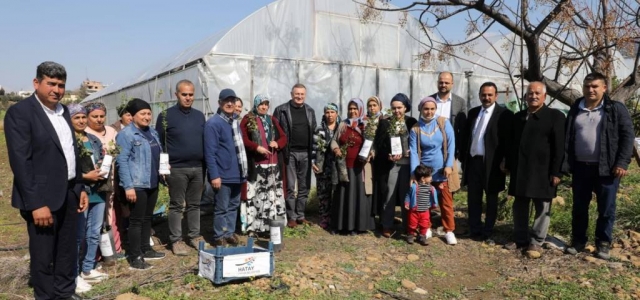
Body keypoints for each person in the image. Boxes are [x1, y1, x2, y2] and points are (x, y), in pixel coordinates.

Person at [5, 61, 88, 299]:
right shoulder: (21, 113)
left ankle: (64, 293)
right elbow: (21, 163)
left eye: (60, 85)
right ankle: (45, 296)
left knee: (66, 251)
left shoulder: (63, 112)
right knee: (43, 256)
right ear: (36, 83)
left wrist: (80, 186)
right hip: (41, 199)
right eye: (50, 83)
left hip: (69, 193)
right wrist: (35, 204)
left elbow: (72, 153)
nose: (56, 89)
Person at [564, 72, 634, 260]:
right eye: (587, 86)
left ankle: (603, 243)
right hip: (581, 167)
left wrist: (622, 162)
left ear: (604, 88)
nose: (591, 90)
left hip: (607, 168)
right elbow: (568, 136)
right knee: (579, 206)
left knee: (606, 208)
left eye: (595, 86)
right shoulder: (576, 108)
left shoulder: (615, 109)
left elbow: (628, 137)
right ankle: (578, 241)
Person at [503, 82, 565, 257]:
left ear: (545, 96)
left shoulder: (555, 116)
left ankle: (537, 241)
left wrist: (557, 171)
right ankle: (520, 237)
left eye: (537, 93)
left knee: (542, 206)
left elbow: (559, 147)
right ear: (526, 96)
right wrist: (507, 163)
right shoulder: (519, 117)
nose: (534, 96)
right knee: (520, 204)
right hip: (521, 169)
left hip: (543, 171)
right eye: (530, 93)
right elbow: (511, 143)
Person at [156, 79, 206, 256]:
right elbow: (159, 143)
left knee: (195, 204)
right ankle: (176, 240)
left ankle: (195, 235)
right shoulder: (165, 116)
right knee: (177, 205)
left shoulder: (199, 116)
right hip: (176, 168)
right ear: (176, 94)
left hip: (198, 167)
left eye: (191, 94)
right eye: (184, 94)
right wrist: (163, 168)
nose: (188, 98)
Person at [460, 82, 513, 245]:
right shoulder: (474, 113)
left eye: (490, 95)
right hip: (474, 162)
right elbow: (467, 137)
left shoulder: (504, 114)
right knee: (473, 197)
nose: (486, 98)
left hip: (493, 164)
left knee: (491, 198)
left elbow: (507, 142)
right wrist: (463, 158)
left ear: (496, 96)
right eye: (484, 94)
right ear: (479, 95)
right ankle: (475, 229)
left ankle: (488, 231)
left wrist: (506, 161)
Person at [116, 98, 166, 270]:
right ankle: (135, 256)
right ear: (133, 116)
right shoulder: (126, 135)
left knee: (147, 217)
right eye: (142, 114)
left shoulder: (152, 132)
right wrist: (128, 186)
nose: (147, 117)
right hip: (137, 184)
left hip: (152, 181)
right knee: (136, 221)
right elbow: (121, 161)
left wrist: (164, 169)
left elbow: (157, 155)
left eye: (149, 113)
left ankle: (146, 248)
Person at [69, 104, 109, 288]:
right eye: (76, 117)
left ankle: (88, 267)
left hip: (98, 190)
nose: (81, 121)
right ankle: (74, 273)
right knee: (78, 234)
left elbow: (100, 159)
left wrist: (104, 166)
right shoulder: (68, 140)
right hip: (80, 190)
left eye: (83, 117)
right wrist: (85, 176)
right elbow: (67, 168)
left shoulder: (93, 139)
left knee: (94, 232)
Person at [409, 97, 457, 245]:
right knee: (425, 201)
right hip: (425, 173)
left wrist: (449, 165)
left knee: (446, 202)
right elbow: (414, 153)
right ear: (421, 110)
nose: (429, 112)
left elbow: (451, 145)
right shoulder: (416, 128)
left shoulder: (443, 123)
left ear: (435, 109)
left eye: (432, 109)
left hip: (442, 170)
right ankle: (426, 227)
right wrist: (414, 174)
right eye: (426, 109)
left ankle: (449, 230)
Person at [204, 89, 248, 246]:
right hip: (223, 174)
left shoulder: (235, 122)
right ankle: (219, 235)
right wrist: (214, 175)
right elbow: (210, 153)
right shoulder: (213, 124)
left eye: (232, 100)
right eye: (226, 101)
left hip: (237, 173)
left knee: (233, 206)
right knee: (221, 207)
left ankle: (229, 232)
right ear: (220, 103)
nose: (230, 104)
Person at [240, 94, 288, 236]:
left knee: (271, 196)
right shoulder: (248, 119)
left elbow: (284, 137)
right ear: (256, 104)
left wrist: (277, 143)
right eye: (262, 104)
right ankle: (253, 227)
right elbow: (243, 138)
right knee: (257, 196)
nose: (264, 107)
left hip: (273, 165)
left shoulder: (272, 120)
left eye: (266, 104)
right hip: (257, 165)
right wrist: (256, 147)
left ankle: (271, 227)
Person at [83, 101, 124, 262]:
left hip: (112, 178)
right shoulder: (84, 133)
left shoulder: (112, 131)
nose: (99, 120)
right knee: (95, 218)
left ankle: (114, 248)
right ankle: (95, 254)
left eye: (101, 116)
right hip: (93, 181)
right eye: (94, 116)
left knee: (111, 212)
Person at [372, 93, 417, 238]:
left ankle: (408, 225)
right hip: (391, 165)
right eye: (393, 108)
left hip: (408, 165)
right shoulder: (385, 122)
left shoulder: (411, 122)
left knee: (406, 196)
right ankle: (387, 225)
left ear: (405, 108)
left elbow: (417, 141)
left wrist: (412, 152)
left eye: (399, 108)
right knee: (389, 195)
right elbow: (379, 144)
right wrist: (388, 155)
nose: (396, 111)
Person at [273, 83, 317, 228]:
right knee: (291, 186)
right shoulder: (282, 110)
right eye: (296, 94)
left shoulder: (310, 111)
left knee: (304, 186)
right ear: (291, 94)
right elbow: (276, 132)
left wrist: (314, 155)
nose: (299, 97)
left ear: (305, 95)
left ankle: (301, 215)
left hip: (305, 153)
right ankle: (291, 216)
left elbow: (314, 133)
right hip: (289, 153)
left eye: (302, 94)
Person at [330, 98, 376, 234]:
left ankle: (356, 226)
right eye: (350, 108)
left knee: (357, 196)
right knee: (343, 196)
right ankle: (340, 225)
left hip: (359, 168)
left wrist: (371, 153)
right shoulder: (343, 125)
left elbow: (373, 145)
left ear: (360, 109)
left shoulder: (366, 125)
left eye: (355, 108)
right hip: (344, 167)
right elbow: (334, 140)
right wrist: (336, 149)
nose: (352, 111)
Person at [312, 103, 340, 229]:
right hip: (323, 165)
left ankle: (336, 216)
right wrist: (313, 162)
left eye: (332, 112)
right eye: (327, 112)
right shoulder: (319, 129)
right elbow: (314, 148)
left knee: (337, 192)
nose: (330, 115)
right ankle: (324, 217)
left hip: (337, 165)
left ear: (337, 114)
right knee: (323, 192)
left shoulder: (341, 128)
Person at [430, 71, 467, 156]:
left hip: (450, 146)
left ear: (452, 84)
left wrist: (460, 149)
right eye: (441, 82)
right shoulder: (429, 100)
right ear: (437, 83)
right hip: (431, 146)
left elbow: (462, 129)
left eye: (446, 83)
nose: (443, 85)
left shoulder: (460, 102)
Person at [404, 164, 438, 245]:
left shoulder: (430, 188)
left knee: (424, 224)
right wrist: (407, 202)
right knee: (412, 224)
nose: (431, 178)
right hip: (414, 210)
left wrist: (434, 204)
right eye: (429, 176)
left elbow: (434, 196)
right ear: (423, 178)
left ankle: (422, 236)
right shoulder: (414, 187)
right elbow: (408, 195)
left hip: (425, 210)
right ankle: (410, 235)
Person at [364, 96, 384, 219]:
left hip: (380, 158)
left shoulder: (384, 120)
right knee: (369, 186)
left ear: (379, 106)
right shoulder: (364, 121)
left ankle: (382, 215)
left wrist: (375, 150)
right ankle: (370, 214)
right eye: (370, 106)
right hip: (367, 159)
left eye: (374, 105)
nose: (372, 108)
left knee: (380, 186)